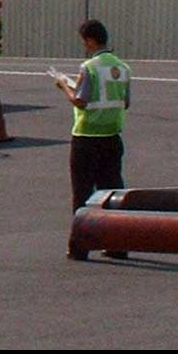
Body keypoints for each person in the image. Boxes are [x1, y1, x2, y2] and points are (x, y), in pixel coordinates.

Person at [58, 19, 132, 260]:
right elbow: (126, 102)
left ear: (90, 40)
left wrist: (63, 85)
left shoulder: (88, 67)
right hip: (112, 135)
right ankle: (117, 244)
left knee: (82, 193)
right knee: (111, 190)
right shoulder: (122, 68)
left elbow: (80, 100)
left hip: (87, 136)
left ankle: (79, 246)